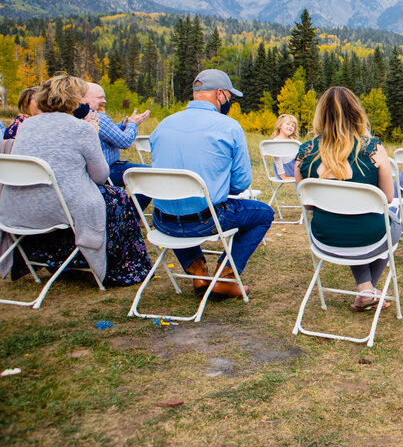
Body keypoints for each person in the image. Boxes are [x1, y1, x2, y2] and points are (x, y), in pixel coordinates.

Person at [0, 74, 151, 286]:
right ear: (74, 100)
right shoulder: (81, 128)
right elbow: (100, 176)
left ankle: (55, 258)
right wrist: (93, 134)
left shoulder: (26, 126)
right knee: (116, 197)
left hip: (18, 209)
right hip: (59, 208)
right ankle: (120, 267)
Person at [150, 69, 273, 298]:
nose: (230, 102)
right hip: (206, 220)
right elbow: (241, 184)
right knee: (263, 213)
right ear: (220, 94)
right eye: (230, 97)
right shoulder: (229, 127)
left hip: (163, 221)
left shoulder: (163, 125)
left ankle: (198, 272)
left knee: (179, 202)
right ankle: (224, 277)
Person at [295, 87, 401, 311]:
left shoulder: (304, 152)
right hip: (368, 237)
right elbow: (388, 198)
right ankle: (367, 290)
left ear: (321, 115)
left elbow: (307, 203)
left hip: (324, 239)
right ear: (356, 113)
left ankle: (365, 289)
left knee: (351, 220)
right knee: (393, 221)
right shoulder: (372, 148)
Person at [82, 82, 151, 208]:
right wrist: (133, 124)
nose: (104, 101)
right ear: (85, 97)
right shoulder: (96, 117)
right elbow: (124, 142)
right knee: (150, 175)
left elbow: (111, 132)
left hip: (88, 171)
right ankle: (132, 215)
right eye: (100, 97)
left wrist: (124, 124)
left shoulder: (81, 115)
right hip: (103, 171)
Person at [270, 113, 300, 179]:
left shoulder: (292, 140)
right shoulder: (276, 141)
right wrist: (283, 176)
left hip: (295, 165)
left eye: (293, 126)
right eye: (288, 124)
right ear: (280, 125)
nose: (290, 127)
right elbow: (278, 160)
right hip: (284, 168)